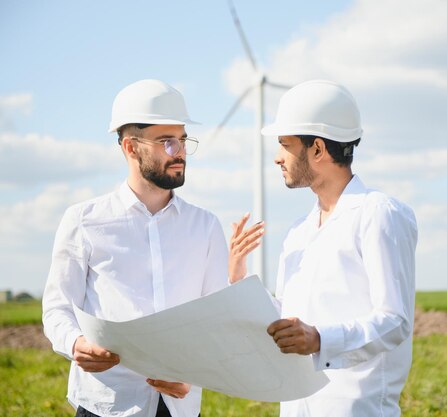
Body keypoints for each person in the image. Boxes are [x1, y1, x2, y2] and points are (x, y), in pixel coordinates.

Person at [42, 79, 262, 417]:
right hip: (107, 404)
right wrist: (76, 344)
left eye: (183, 140)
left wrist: (195, 372)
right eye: (166, 142)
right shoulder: (83, 221)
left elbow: (215, 322)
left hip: (181, 406)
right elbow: (57, 309)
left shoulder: (204, 226)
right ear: (131, 147)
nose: (181, 152)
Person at [257, 80, 417, 416]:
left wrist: (319, 340)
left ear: (317, 149)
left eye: (285, 145)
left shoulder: (378, 213)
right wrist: (238, 285)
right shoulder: (298, 231)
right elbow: (290, 317)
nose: (276, 158)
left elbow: (394, 321)